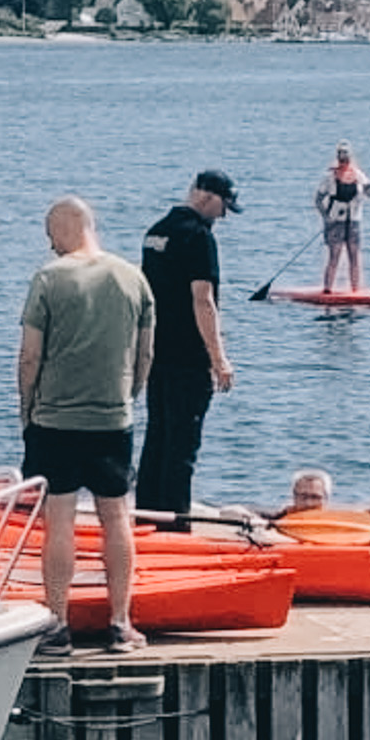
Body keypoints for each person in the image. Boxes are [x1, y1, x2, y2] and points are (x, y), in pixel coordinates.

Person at [17, 196, 155, 656]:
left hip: (55, 418)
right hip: (112, 417)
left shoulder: (49, 278)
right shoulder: (133, 278)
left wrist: (26, 408)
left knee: (58, 520)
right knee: (116, 517)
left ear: (65, 228)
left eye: (50, 233)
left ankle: (57, 623)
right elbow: (145, 354)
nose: (49, 244)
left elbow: (31, 354)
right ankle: (120, 621)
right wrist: (128, 397)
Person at [134, 169, 238, 520]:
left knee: (157, 438)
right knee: (182, 446)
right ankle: (175, 525)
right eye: (223, 207)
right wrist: (219, 359)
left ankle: (146, 516)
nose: (222, 216)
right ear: (207, 197)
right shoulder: (199, 237)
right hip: (189, 357)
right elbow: (202, 299)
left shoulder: (156, 232)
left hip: (156, 352)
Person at [315, 141, 370, 293]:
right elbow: (318, 199)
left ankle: (355, 290)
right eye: (341, 159)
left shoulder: (358, 175)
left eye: (346, 158)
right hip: (336, 221)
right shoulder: (329, 177)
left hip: (353, 220)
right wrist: (326, 217)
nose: (344, 162)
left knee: (354, 255)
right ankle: (327, 289)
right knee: (334, 255)